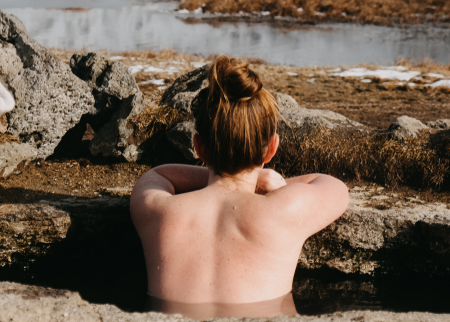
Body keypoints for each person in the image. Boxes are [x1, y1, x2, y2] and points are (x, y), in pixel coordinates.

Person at [130, 56, 349, 319]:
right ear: (271, 148)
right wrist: (260, 179)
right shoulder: (285, 210)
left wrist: (230, 178)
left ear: (198, 147)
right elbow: (334, 187)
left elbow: (158, 174)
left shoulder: (157, 209)